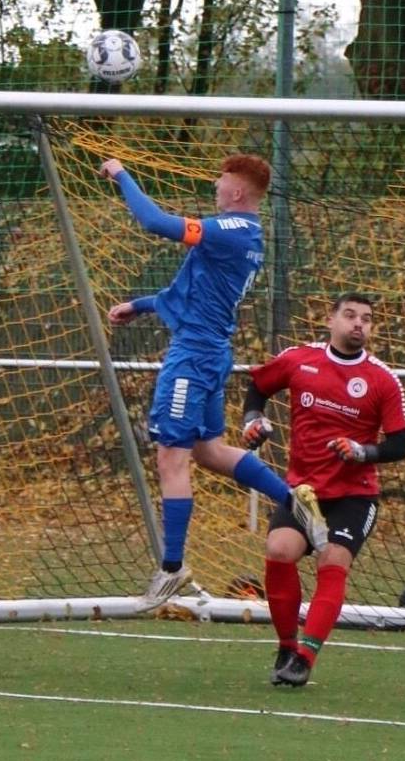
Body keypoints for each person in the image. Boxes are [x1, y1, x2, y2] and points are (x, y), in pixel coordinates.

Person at [99, 155, 328, 609]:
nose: (216, 188)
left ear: (238, 192)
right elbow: (197, 292)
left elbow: (154, 221)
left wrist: (121, 173)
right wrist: (141, 304)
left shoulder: (227, 230)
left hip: (193, 357)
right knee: (207, 451)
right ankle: (294, 499)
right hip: (210, 351)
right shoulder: (247, 237)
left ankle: (172, 568)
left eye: (221, 182)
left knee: (171, 457)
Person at [243, 294, 405, 687]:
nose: (358, 324)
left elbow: (401, 445)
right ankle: (286, 647)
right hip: (303, 492)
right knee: (279, 552)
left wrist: (362, 451)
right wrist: (253, 419)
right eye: (350, 316)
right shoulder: (299, 360)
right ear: (330, 320)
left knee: (332, 562)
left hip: (355, 495)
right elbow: (258, 387)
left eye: (366, 319)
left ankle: (305, 656)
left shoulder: (382, 379)